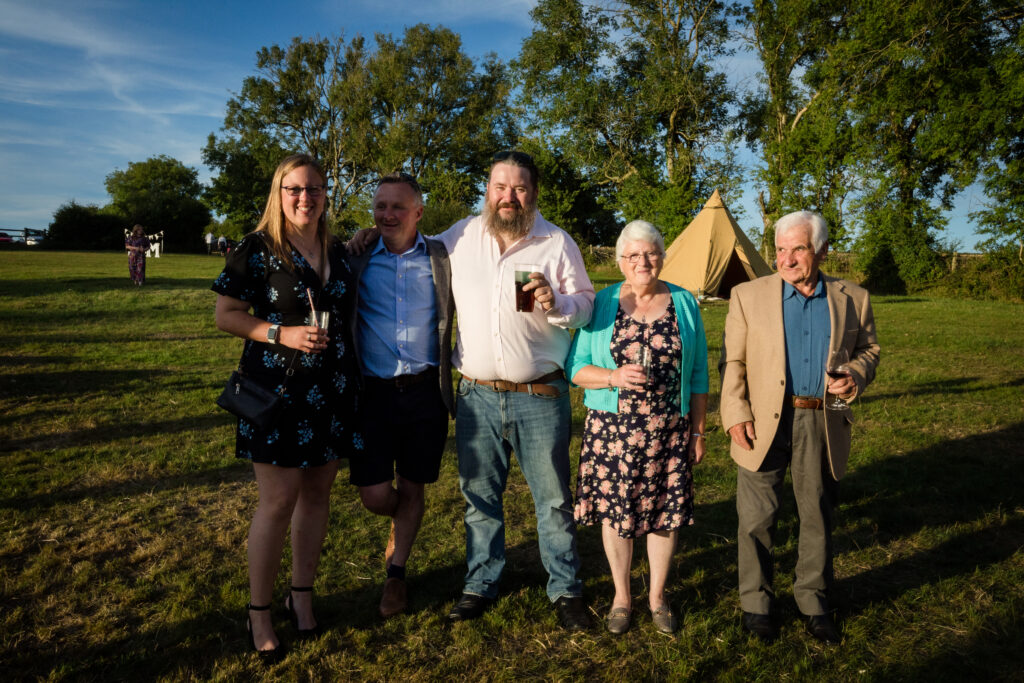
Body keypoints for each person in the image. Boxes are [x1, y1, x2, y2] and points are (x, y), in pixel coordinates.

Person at [212, 153, 363, 663]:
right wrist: (282, 333)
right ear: (279, 193)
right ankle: (259, 613)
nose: (306, 198)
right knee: (277, 503)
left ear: (326, 194)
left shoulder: (338, 250)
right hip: (276, 394)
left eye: (315, 189)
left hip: (332, 391)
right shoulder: (256, 249)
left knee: (317, 497)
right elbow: (226, 314)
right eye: (295, 189)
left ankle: (302, 596)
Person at [438, 151, 595, 629]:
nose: (508, 197)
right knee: (479, 497)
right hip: (477, 394)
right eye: (499, 187)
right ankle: (479, 583)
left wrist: (559, 301)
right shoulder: (461, 236)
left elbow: (586, 305)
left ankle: (565, 588)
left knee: (552, 499)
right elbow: (408, 244)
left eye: (519, 188)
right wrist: (368, 237)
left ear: (534, 193)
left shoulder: (556, 242)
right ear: (487, 190)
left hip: (540, 396)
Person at [719, 210, 880, 644]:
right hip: (761, 418)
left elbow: (869, 348)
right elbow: (731, 361)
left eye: (799, 249)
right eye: (780, 249)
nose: (786, 259)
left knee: (817, 515)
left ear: (822, 251)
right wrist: (735, 412)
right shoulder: (747, 295)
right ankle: (756, 606)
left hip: (820, 418)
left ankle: (814, 601)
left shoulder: (853, 297)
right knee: (756, 518)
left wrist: (857, 375)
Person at [565, 220, 709, 635]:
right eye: (633, 255)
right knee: (616, 514)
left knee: (665, 514)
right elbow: (575, 369)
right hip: (613, 433)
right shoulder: (603, 303)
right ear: (620, 261)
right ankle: (622, 598)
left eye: (650, 254)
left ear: (662, 257)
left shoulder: (684, 303)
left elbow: (697, 373)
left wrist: (698, 431)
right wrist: (612, 377)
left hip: (668, 429)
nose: (642, 262)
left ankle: (657, 597)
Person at [347, 172, 454, 619]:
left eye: (396, 207)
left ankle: (397, 574)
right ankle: (399, 521)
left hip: (426, 392)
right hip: (371, 394)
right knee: (375, 495)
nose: (387, 215)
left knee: (414, 485)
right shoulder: (354, 256)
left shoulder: (442, 257)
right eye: (380, 207)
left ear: (418, 212)